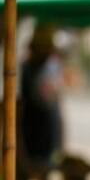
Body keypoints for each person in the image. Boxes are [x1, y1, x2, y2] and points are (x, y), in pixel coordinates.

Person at [20, 24, 64, 169]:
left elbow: (55, 104)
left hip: (47, 137)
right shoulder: (26, 69)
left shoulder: (50, 67)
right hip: (31, 136)